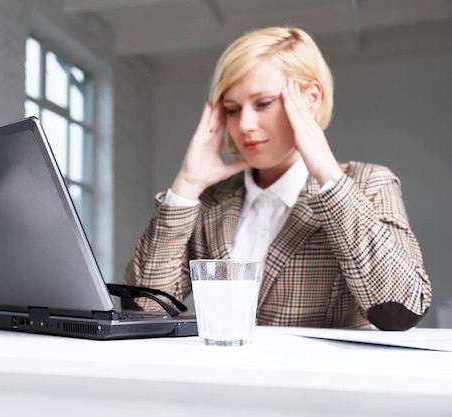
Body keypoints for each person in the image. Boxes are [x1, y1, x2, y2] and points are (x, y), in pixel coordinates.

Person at [123, 26, 431, 331]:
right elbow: (142, 308)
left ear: (311, 98)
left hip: (318, 380)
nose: (244, 124)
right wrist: (187, 184)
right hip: (219, 379)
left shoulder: (369, 184)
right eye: (232, 109)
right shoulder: (211, 200)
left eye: (263, 103)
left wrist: (328, 176)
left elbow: (401, 310)